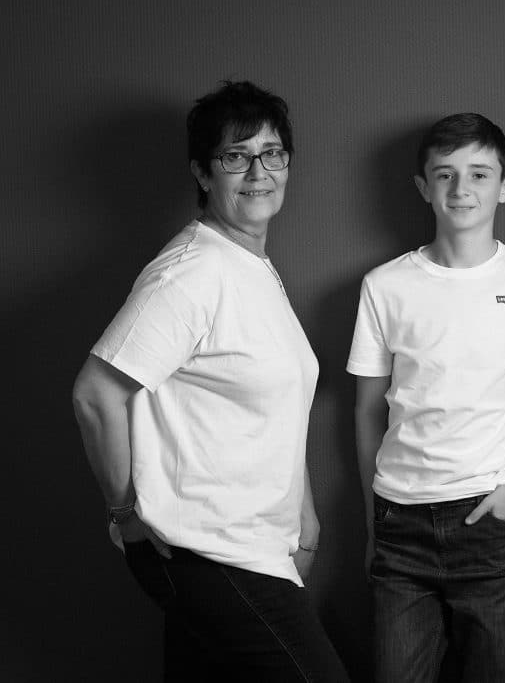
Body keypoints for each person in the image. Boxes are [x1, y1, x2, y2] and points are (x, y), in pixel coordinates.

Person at [71, 81, 346, 681]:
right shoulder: (190, 273)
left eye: (271, 153)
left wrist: (303, 511)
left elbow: (272, 406)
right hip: (204, 552)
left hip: (254, 548)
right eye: (234, 156)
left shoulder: (252, 267)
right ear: (202, 172)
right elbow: (96, 394)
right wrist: (125, 515)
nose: (257, 172)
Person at [348, 112, 505, 683]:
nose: (462, 189)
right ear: (423, 187)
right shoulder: (385, 285)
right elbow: (365, 411)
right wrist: (371, 522)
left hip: (491, 524)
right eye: (446, 174)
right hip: (399, 523)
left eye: (479, 174)